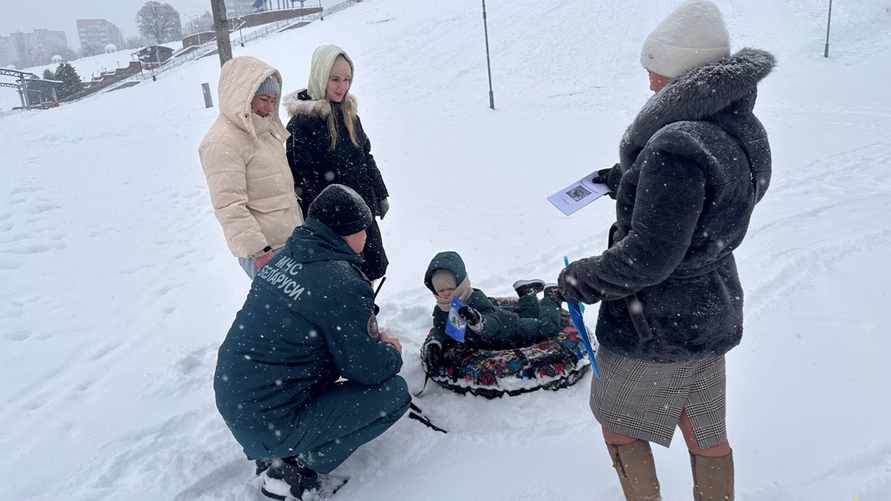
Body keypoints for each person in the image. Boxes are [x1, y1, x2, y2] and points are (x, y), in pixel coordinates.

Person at [557, 1, 774, 499]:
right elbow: (714, 200)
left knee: (619, 423)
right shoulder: (739, 128)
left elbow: (646, 259)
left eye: (657, 71)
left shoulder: (675, 149)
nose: (651, 82)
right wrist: (632, 182)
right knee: (705, 428)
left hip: (655, 324)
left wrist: (582, 279)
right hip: (710, 309)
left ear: (685, 73)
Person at [213, 184, 410, 501]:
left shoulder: (283, 257)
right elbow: (367, 370)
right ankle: (296, 467)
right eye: (364, 229)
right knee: (394, 394)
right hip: (270, 417)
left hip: (238, 400)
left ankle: (282, 444)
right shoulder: (340, 281)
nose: (368, 236)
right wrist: (390, 351)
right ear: (344, 232)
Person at [283, 45, 390, 281]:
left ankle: (367, 315)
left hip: (361, 212)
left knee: (367, 273)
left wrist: (379, 194)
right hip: (334, 225)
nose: (342, 86)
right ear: (321, 76)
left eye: (347, 79)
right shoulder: (301, 126)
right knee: (342, 280)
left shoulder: (350, 116)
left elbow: (365, 156)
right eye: (335, 79)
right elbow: (304, 183)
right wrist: (332, 224)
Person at [199, 56, 303, 279]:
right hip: (266, 250)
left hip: (291, 239)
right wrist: (259, 251)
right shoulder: (221, 143)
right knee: (285, 311)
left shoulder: (265, 131)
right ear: (243, 97)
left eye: (273, 100)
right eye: (263, 99)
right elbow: (229, 206)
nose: (269, 107)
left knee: (304, 309)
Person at [422, 251, 566, 365]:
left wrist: (478, 321)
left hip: (509, 330)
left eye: (450, 288)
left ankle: (551, 297)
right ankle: (527, 292)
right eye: (441, 290)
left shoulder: (474, 298)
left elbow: (493, 321)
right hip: (489, 340)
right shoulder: (442, 308)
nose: (446, 294)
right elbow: (440, 328)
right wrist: (435, 343)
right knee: (530, 317)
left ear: (460, 284)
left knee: (546, 328)